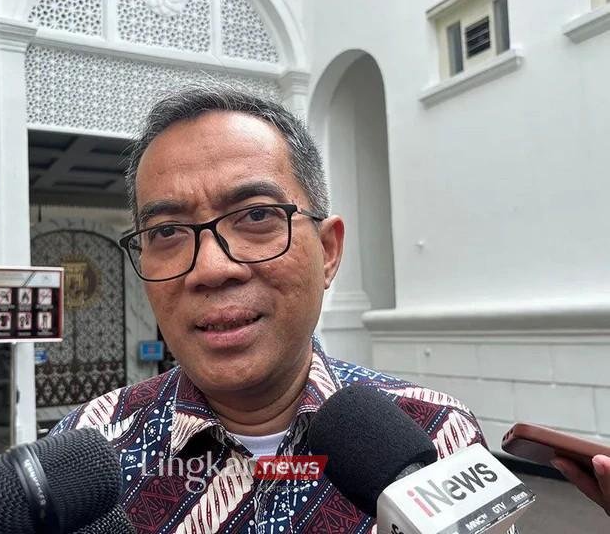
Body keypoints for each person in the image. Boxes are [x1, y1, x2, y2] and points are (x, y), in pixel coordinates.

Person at [51, 86, 495, 533]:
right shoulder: (85, 457)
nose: (211, 268)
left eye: (257, 216)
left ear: (328, 251)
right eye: (167, 231)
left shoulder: (439, 435)